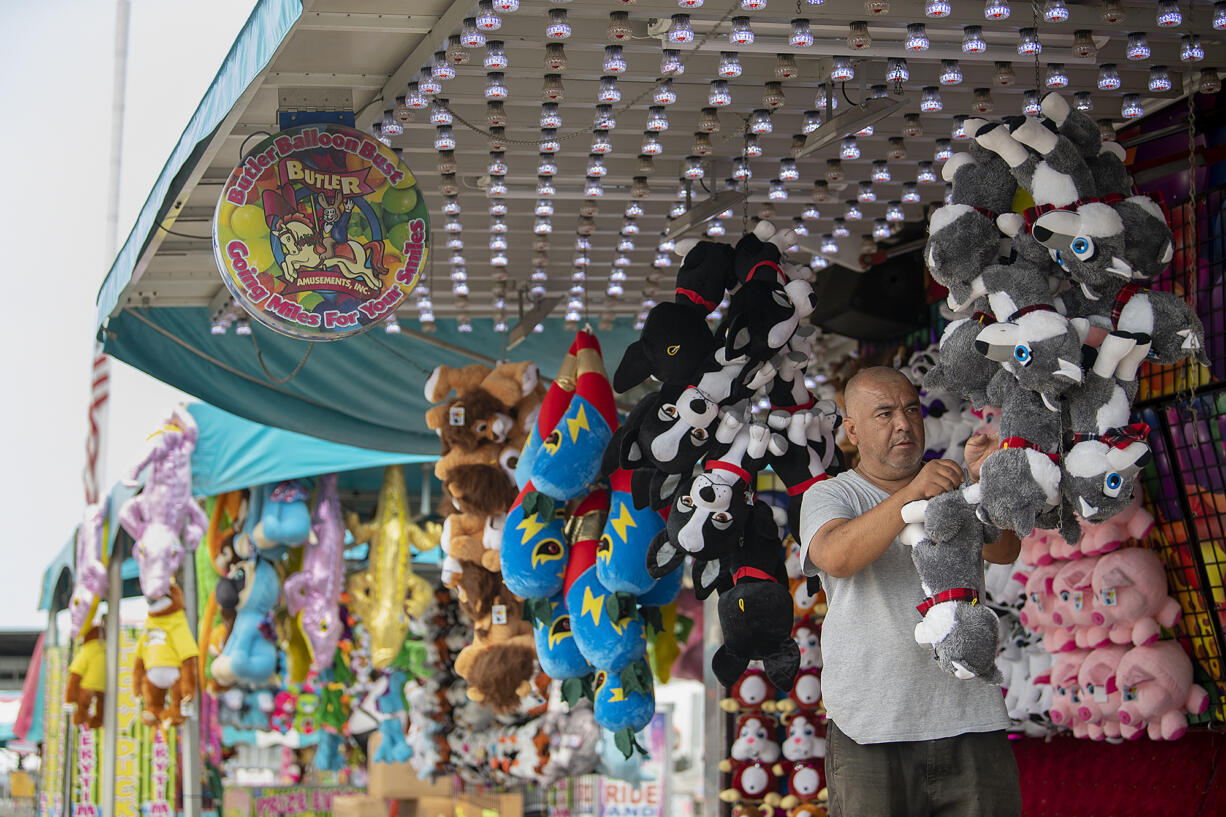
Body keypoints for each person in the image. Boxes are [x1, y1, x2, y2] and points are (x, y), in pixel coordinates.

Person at [800, 366, 1022, 817]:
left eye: (911, 410)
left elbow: (1005, 549)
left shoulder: (949, 484)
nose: (903, 423)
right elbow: (836, 556)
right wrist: (912, 495)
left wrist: (985, 486)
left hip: (969, 719)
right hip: (872, 730)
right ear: (852, 430)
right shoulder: (830, 495)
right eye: (884, 413)